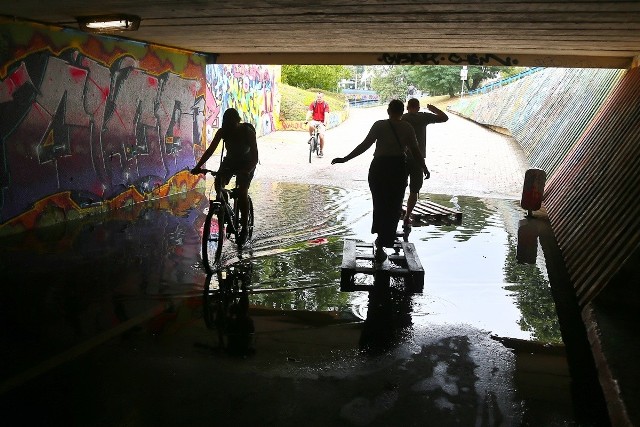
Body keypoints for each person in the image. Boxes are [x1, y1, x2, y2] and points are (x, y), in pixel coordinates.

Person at [332, 100, 428, 263]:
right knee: (394, 205)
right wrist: (424, 167)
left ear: (388, 110)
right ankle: (383, 241)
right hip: (398, 169)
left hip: (379, 168)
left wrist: (345, 158)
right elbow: (416, 151)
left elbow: (365, 145)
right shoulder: (407, 128)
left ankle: (380, 239)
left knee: (380, 203)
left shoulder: (379, 125)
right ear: (402, 111)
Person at [191, 108, 258, 245]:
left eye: (232, 124)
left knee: (242, 191)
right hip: (230, 161)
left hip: (247, 162)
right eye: (227, 124)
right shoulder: (223, 131)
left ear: (237, 121)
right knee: (218, 183)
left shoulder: (247, 132)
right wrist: (198, 167)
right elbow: (210, 151)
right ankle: (224, 208)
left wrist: (247, 170)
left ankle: (244, 227)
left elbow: (255, 157)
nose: (230, 128)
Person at [401, 98, 448, 229]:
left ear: (407, 107)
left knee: (400, 187)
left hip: (402, 158)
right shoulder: (424, 117)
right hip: (418, 159)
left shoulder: (402, 118)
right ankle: (407, 216)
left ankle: (398, 211)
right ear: (418, 107)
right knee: (414, 190)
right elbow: (445, 118)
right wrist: (434, 109)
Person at [305, 92, 330, 157]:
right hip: (315, 120)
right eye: (317, 97)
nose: (319, 98)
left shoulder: (325, 104)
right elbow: (309, 112)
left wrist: (325, 122)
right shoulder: (313, 103)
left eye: (320, 97)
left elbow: (326, 114)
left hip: (322, 122)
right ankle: (311, 137)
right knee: (311, 125)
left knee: (321, 137)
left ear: (322, 97)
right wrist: (306, 119)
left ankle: (321, 151)